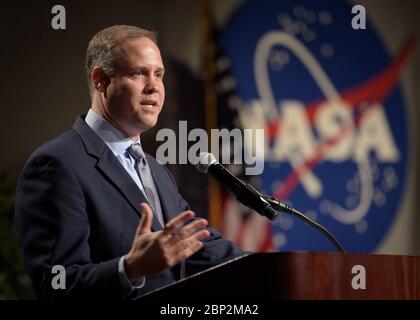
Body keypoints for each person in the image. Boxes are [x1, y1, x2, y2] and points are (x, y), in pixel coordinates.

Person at [15, 25, 244, 300]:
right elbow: (56, 285)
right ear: (100, 80)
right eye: (138, 73)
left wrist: (280, 267)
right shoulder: (56, 165)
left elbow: (197, 246)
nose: (154, 86)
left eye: (158, 74)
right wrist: (129, 269)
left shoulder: (157, 170)